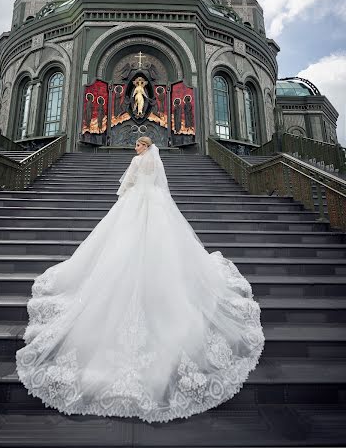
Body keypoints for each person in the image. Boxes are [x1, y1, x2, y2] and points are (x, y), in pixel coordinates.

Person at [16, 136, 264, 423]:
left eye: (138, 145)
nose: (135, 148)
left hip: (134, 205)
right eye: (136, 145)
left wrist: (123, 193)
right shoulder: (155, 163)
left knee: (120, 244)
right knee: (162, 245)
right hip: (156, 205)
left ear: (145, 147)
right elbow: (160, 186)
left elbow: (127, 185)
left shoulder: (136, 162)